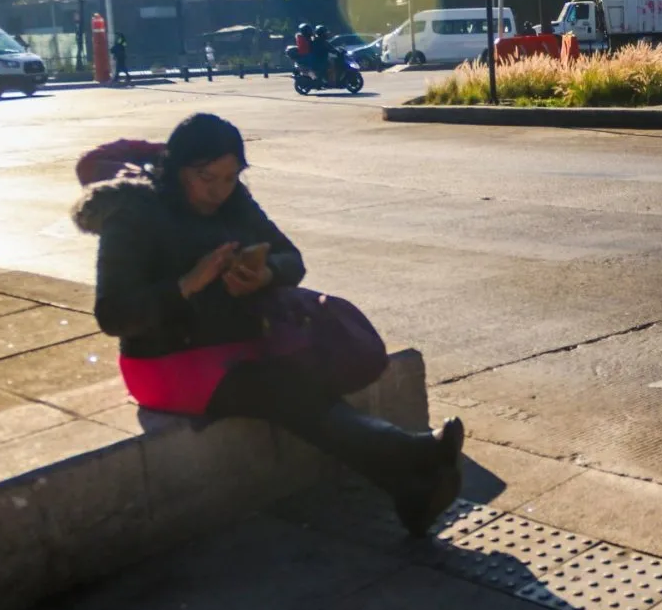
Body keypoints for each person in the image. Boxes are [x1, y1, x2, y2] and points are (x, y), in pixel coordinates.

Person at [73, 113, 464, 535]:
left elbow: (291, 257)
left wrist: (266, 274)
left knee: (304, 383)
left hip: (236, 342)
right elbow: (113, 314)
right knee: (286, 392)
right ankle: (413, 454)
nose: (219, 191)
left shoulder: (236, 200)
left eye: (229, 177)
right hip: (165, 361)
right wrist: (188, 283)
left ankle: (408, 490)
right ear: (178, 167)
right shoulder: (134, 212)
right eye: (207, 177)